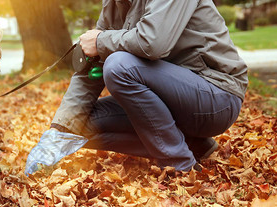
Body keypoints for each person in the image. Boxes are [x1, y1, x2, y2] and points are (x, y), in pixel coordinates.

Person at [25, 0, 248, 175]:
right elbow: (92, 67)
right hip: (171, 99)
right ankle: (192, 144)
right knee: (78, 126)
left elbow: (152, 43)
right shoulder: (114, 3)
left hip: (215, 96)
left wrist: (101, 40)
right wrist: (59, 131)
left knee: (119, 66)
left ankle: (179, 165)